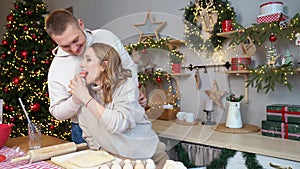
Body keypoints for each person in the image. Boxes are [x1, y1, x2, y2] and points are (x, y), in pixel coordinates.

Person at [45, 9, 147, 144]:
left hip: (124, 121)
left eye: (76, 40)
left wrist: (131, 94)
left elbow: (128, 69)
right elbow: (57, 112)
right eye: (65, 46)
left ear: (81, 24)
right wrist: (76, 98)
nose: (75, 49)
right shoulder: (57, 68)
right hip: (86, 131)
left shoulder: (107, 37)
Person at [69, 43, 168, 168]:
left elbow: (119, 124)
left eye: (88, 59)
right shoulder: (85, 91)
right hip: (118, 160)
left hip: (149, 157)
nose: (81, 64)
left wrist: (85, 98)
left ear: (103, 66)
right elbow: (88, 131)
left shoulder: (126, 85)